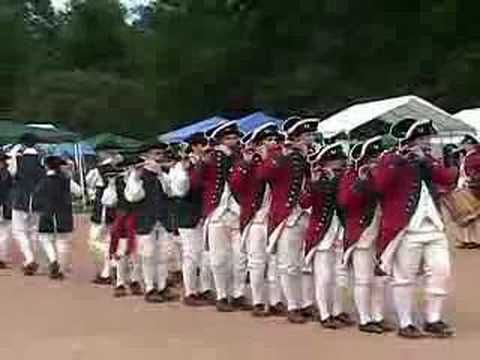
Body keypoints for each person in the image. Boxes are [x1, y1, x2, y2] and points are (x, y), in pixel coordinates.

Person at [373, 118, 457, 339]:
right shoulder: (390, 159)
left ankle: (433, 319)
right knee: (404, 277)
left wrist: (427, 162)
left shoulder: (428, 160)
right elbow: (379, 186)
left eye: (427, 138)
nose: (427, 142)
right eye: (422, 139)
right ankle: (406, 322)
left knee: (441, 271)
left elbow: (449, 178)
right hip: (407, 228)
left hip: (433, 226)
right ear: (409, 140)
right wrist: (399, 160)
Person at [256, 116, 317, 324]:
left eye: (310, 135)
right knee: (288, 264)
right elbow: (263, 174)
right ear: (295, 137)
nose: (310, 139)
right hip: (287, 214)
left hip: (307, 213)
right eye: (306, 135)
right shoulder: (281, 155)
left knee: (306, 264)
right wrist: (282, 153)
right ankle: (293, 305)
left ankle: (306, 303)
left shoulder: (311, 157)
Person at [337, 137, 395, 334]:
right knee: (363, 279)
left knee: (380, 279)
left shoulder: (383, 175)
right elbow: (345, 202)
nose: (375, 162)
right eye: (371, 159)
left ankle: (378, 316)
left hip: (382, 234)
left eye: (377, 158)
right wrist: (362, 181)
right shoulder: (351, 176)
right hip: (361, 234)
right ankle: (365, 318)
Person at [230, 122, 282, 317]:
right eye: (268, 140)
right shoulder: (248, 162)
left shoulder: (279, 161)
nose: (273, 143)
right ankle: (259, 301)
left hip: (276, 217)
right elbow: (235, 183)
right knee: (257, 261)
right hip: (256, 218)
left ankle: (276, 300)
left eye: (275, 140)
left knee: (276, 262)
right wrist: (246, 162)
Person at [302, 142, 354, 329]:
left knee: (341, 276)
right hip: (322, 234)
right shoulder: (317, 182)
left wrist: (338, 180)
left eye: (340, 163)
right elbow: (304, 202)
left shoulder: (345, 180)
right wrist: (316, 182)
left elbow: (345, 201)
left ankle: (338, 311)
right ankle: (325, 314)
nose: (338, 167)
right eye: (334, 163)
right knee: (323, 276)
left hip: (341, 231)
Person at [202, 120, 250, 312]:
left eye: (234, 137)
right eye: (228, 138)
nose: (232, 141)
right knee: (219, 257)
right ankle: (222, 295)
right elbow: (198, 181)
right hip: (217, 211)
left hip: (238, 210)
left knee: (240, 257)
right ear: (220, 140)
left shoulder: (242, 156)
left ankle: (238, 293)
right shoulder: (211, 157)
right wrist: (202, 162)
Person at [124, 143, 176, 303]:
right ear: (145, 157)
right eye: (155, 154)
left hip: (164, 218)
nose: (158, 157)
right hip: (145, 219)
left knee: (164, 254)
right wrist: (136, 177)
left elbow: (172, 191)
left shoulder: (165, 173)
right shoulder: (137, 174)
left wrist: (161, 174)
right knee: (147, 254)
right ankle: (149, 287)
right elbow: (133, 197)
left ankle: (162, 286)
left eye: (160, 154)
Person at [168, 132, 215, 306]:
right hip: (187, 213)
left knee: (205, 254)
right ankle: (190, 292)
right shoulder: (181, 166)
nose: (206, 149)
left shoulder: (208, 163)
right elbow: (180, 190)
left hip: (205, 211)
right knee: (191, 254)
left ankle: (205, 288)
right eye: (202, 145)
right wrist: (188, 169)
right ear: (194, 147)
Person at [34, 155, 82, 279]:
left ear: (46, 166)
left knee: (45, 239)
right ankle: (61, 267)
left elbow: (36, 196)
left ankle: (53, 260)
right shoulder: (66, 180)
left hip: (47, 213)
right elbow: (79, 192)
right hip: (64, 213)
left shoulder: (42, 181)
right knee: (63, 241)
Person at [102, 156, 143, 298]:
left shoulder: (140, 181)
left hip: (137, 218)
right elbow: (109, 201)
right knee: (121, 252)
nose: (129, 170)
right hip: (122, 219)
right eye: (126, 168)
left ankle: (135, 280)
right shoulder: (117, 181)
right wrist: (111, 185)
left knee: (136, 253)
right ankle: (120, 282)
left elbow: (135, 196)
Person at [9, 133, 46, 275]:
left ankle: (29, 258)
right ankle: (33, 258)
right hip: (38, 199)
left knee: (18, 231)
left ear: (23, 144)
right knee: (34, 231)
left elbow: (12, 173)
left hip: (21, 198)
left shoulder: (17, 158)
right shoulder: (43, 158)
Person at [85, 158, 119, 284]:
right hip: (116, 209)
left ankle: (111, 266)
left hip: (103, 210)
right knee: (109, 240)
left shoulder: (97, 171)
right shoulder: (122, 169)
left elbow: (89, 182)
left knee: (95, 240)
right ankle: (110, 268)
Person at [455, 134, 480, 249]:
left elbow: (474, 173)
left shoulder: (474, 157)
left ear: (470, 145)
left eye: (465, 144)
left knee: (469, 215)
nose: (464, 146)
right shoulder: (470, 156)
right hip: (468, 187)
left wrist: (471, 179)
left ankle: (472, 239)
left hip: (472, 187)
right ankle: (470, 239)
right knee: (469, 215)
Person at [0, 152, 13, 269]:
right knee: (4, 234)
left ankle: (2, 258)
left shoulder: (7, 174)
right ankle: (2, 258)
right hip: (4, 206)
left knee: (4, 233)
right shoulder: (6, 174)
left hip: (4, 206)